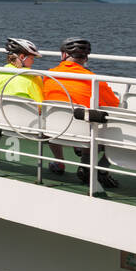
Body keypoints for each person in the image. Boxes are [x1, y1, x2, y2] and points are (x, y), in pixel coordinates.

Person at [42, 38, 119, 188]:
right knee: (105, 122)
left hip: (54, 130)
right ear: (86, 58)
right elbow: (114, 105)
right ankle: (99, 169)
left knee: (85, 119)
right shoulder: (94, 81)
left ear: (63, 55)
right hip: (84, 133)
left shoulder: (48, 76)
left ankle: (63, 162)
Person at [0, 38, 66, 174]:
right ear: (21, 57)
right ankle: (60, 162)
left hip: (4, 121)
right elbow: (41, 107)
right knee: (52, 120)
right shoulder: (33, 78)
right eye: (32, 58)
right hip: (30, 127)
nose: (33, 62)